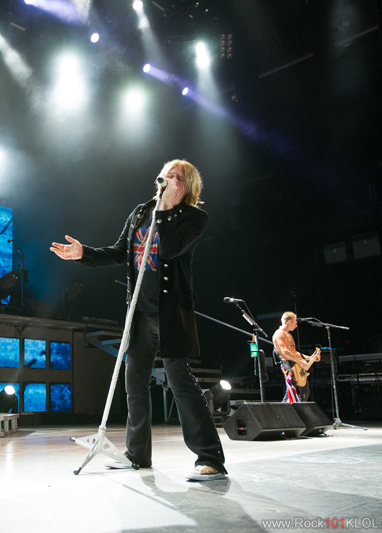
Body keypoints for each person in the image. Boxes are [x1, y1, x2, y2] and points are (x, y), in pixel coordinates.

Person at [50, 159, 226, 481]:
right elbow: (121, 252)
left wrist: (167, 209)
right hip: (140, 311)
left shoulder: (194, 217)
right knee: (134, 382)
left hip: (170, 311)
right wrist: (84, 254)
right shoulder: (140, 213)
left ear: (187, 187)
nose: (169, 180)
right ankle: (137, 454)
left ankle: (210, 458)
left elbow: (170, 249)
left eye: (178, 178)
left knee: (180, 381)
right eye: (167, 175)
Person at [272, 311, 320, 402]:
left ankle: (298, 409)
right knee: (290, 392)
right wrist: (300, 362)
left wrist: (310, 358)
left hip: (296, 363)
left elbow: (294, 352)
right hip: (288, 364)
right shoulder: (279, 334)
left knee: (305, 392)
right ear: (289, 322)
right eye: (295, 323)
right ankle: (284, 410)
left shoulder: (289, 335)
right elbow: (284, 352)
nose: (296, 326)